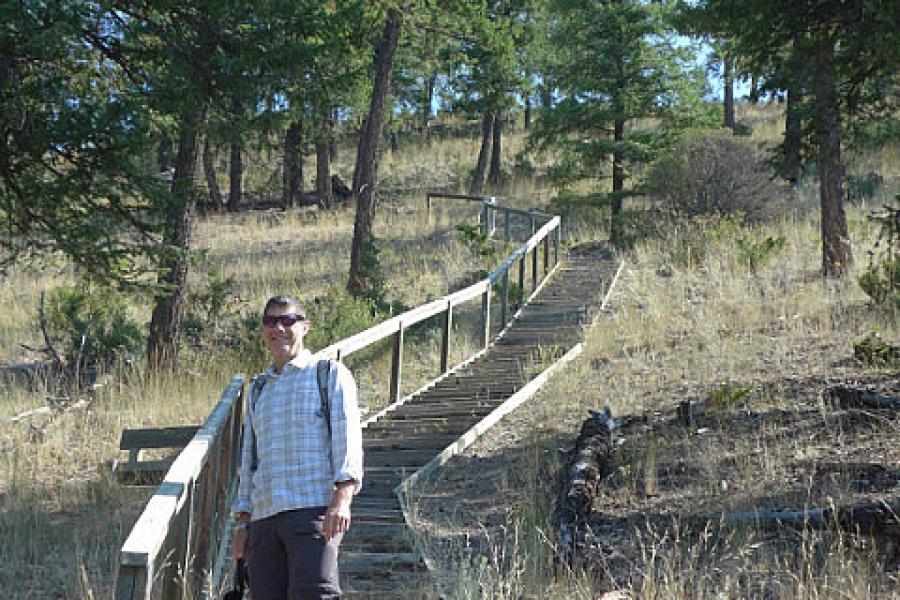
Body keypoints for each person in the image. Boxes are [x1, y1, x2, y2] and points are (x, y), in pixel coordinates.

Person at [231, 295, 364, 599]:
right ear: (263, 330)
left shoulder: (328, 374)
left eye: (287, 320)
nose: (278, 328)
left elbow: (348, 439)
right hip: (264, 520)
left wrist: (342, 499)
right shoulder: (258, 388)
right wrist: (243, 524)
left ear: (304, 327)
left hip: (313, 510)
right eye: (270, 321)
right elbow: (250, 458)